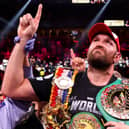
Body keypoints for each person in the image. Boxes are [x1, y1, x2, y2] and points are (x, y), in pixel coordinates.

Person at [1, 3, 129, 128]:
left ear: (117, 57)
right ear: (89, 49)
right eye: (95, 40)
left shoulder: (125, 91)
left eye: (108, 42)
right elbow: (12, 89)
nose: (100, 43)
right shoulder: (62, 80)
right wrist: (22, 40)